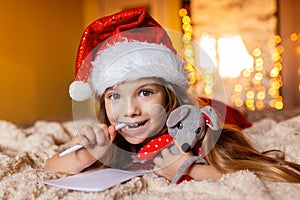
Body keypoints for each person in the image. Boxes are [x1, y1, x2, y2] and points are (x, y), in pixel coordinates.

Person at [45, 8, 300, 184]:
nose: (129, 110)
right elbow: (48, 169)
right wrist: (83, 155)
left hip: (216, 108)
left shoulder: (199, 132)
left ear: (168, 96)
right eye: (114, 96)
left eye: (144, 92)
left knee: (229, 110)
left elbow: (270, 174)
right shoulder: (112, 142)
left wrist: (190, 168)